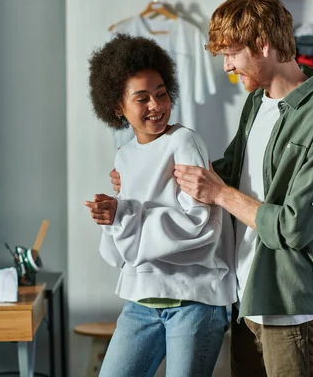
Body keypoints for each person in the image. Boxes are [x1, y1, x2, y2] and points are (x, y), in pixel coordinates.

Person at [112, 0, 313, 377]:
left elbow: (293, 227)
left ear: (263, 45)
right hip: (249, 302)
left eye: (232, 53)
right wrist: (146, 170)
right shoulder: (258, 102)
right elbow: (226, 171)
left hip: (294, 313)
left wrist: (219, 193)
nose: (227, 65)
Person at [85, 34, 236, 377]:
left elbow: (199, 225)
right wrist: (110, 215)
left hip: (194, 301)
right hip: (140, 301)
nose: (156, 105)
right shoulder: (123, 156)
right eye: (142, 98)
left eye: (161, 93)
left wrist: (123, 213)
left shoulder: (183, 141)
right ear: (117, 107)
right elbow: (120, 254)